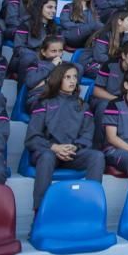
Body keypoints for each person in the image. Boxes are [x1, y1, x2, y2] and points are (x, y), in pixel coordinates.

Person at [25, 63, 105, 210]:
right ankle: (40, 213)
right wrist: (54, 147)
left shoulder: (83, 106)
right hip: (49, 152)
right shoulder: (44, 103)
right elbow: (32, 138)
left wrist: (75, 147)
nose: (72, 81)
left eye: (75, 77)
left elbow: (87, 135)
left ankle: (90, 209)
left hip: (73, 153)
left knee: (97, 156)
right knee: (47, 157)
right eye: (67, 77)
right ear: (57, 79)